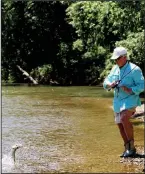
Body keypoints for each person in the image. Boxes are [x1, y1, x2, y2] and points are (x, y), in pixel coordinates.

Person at [103, 47, 144, 158]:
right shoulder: (114, 68)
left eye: (118, 58)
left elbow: (142, 85)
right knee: (120, 124)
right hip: (117, 101)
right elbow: (106, 81)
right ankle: (127, 148)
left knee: (124, 118)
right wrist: (110, 84)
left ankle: (132, 147)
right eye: (115, 59)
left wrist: (130, 89)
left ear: (125, 57)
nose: (116, 61)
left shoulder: (135, 69)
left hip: (131, 99)